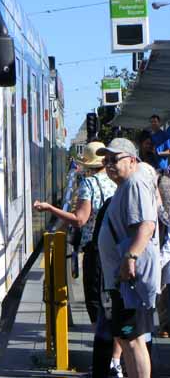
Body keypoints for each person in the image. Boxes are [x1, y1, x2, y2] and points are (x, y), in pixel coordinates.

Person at [97, 138, 160, 378]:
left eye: (115, 159)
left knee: (133, 340)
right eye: (106, 160)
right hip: (121, 279)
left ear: (132, 160)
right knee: (126, 339)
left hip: (129, 280)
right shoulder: (126, 185)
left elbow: (146, 225)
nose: (109, 164)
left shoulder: (134, 183)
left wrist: (130, 257)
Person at [34, 142, 117, 323]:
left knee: (95, 301)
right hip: (116, 246)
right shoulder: (116, 180)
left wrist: (50, 208)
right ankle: (116, 346)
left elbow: (80, 219)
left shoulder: (89, 183)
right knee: (113, 300)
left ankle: (103, 344)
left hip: (96, 248)